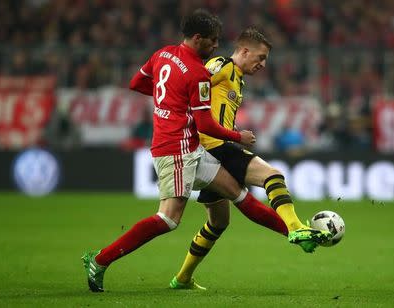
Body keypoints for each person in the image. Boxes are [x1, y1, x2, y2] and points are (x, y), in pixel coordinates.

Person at [81, 11, 331, 293]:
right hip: (176, 147)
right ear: (198, 38)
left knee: (237, 197)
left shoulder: (163, 54)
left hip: (193, 147)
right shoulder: (204, 70)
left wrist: (171, 98)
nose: (215, 46)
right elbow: (204, 122)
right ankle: (100, 260)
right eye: (212, 41)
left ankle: (294, 233)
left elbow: (136, 84)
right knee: (168, 219)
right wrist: (237, 136)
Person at [170, 27, 329, 290]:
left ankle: (183, 278)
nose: (263, 64)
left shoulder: (237, 78)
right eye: (261, 57)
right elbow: (190, 86)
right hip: (215, 146)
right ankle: (296, 227)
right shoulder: (221, 66)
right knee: (272, 176)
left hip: (212, 149)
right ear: (244, 51)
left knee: (218, 222)